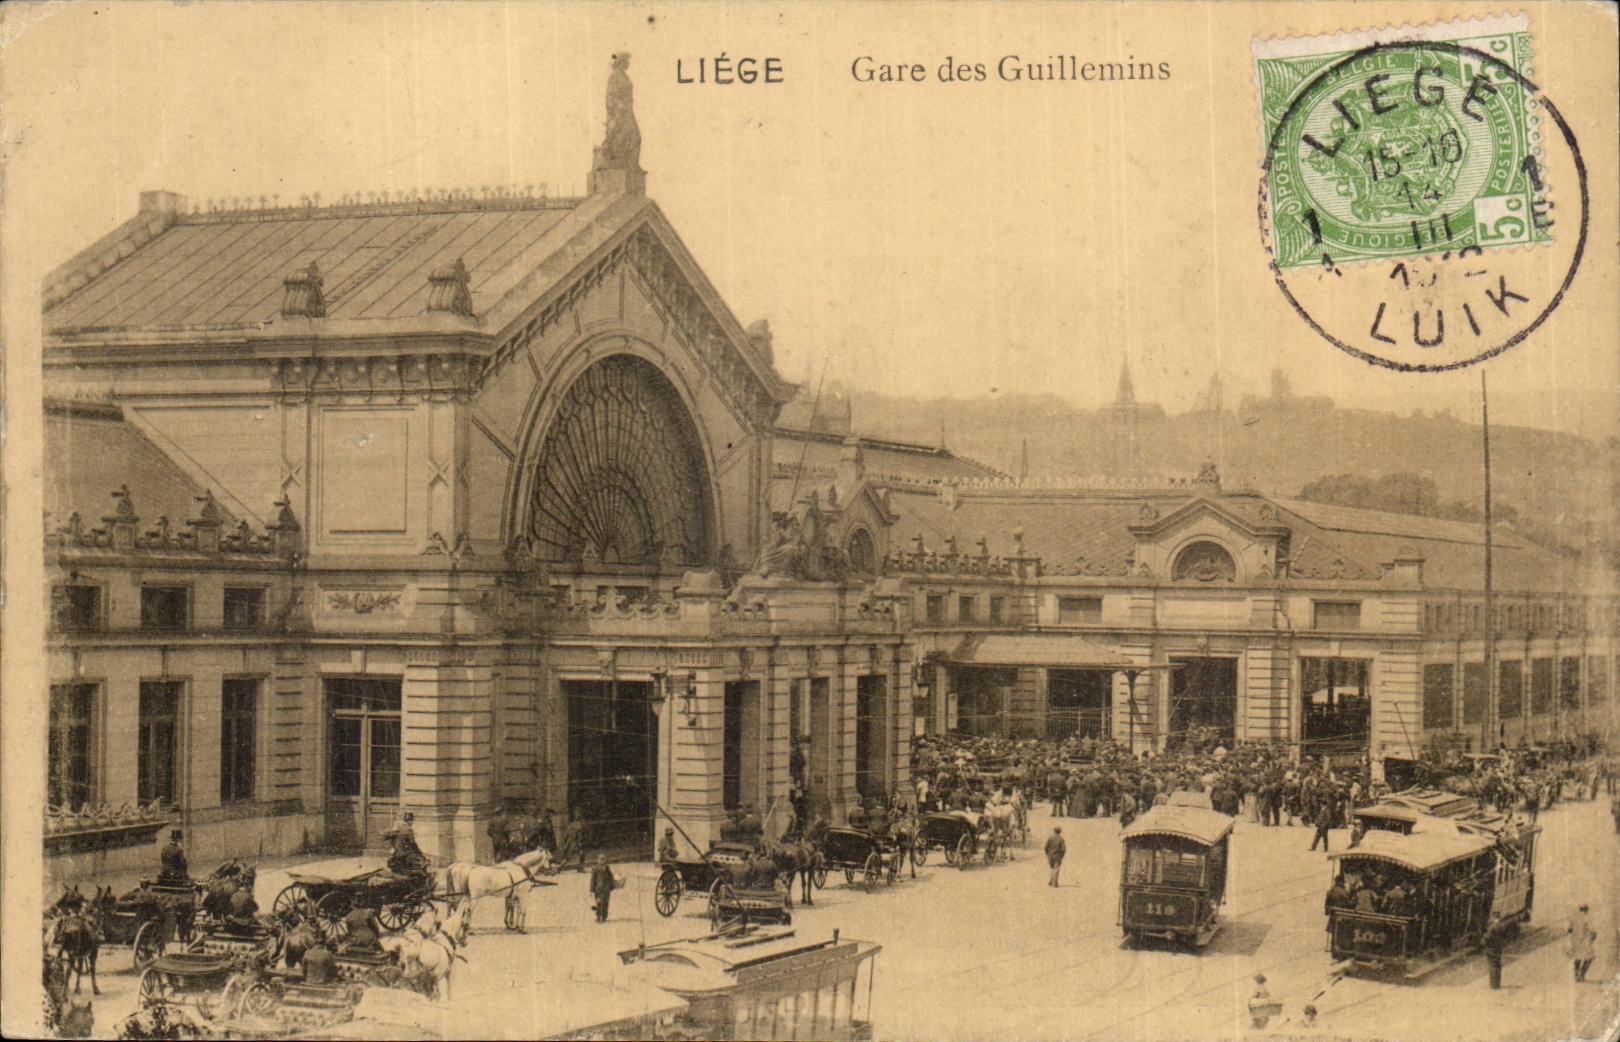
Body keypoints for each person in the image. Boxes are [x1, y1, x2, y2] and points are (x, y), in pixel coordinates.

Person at [1568, 903, 1597, 981]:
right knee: (1590, 958)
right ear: (1586, 910)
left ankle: (1576, 975)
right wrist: (1593, 938)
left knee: (1577, 958)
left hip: (1575, 941)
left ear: (1580, 909)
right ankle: (1582, 974)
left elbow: (1569, 930)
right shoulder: (1588, 918)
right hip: (1585, 941)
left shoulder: (1574, 918)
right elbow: (1592, 930)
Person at [589, 855, 619, 924]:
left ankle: (604, 916)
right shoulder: (595, 868)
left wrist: (612, 885)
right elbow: (593, 879)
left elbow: (610, 877)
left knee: (605, 902)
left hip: (606, 888)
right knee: (599, 903)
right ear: (597, 860)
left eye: (603, 860)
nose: (601, 861)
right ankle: (598, 916)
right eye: (600, 859)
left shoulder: (607, 868)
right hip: (598, 889)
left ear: (605, 861)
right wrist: (591, 889)